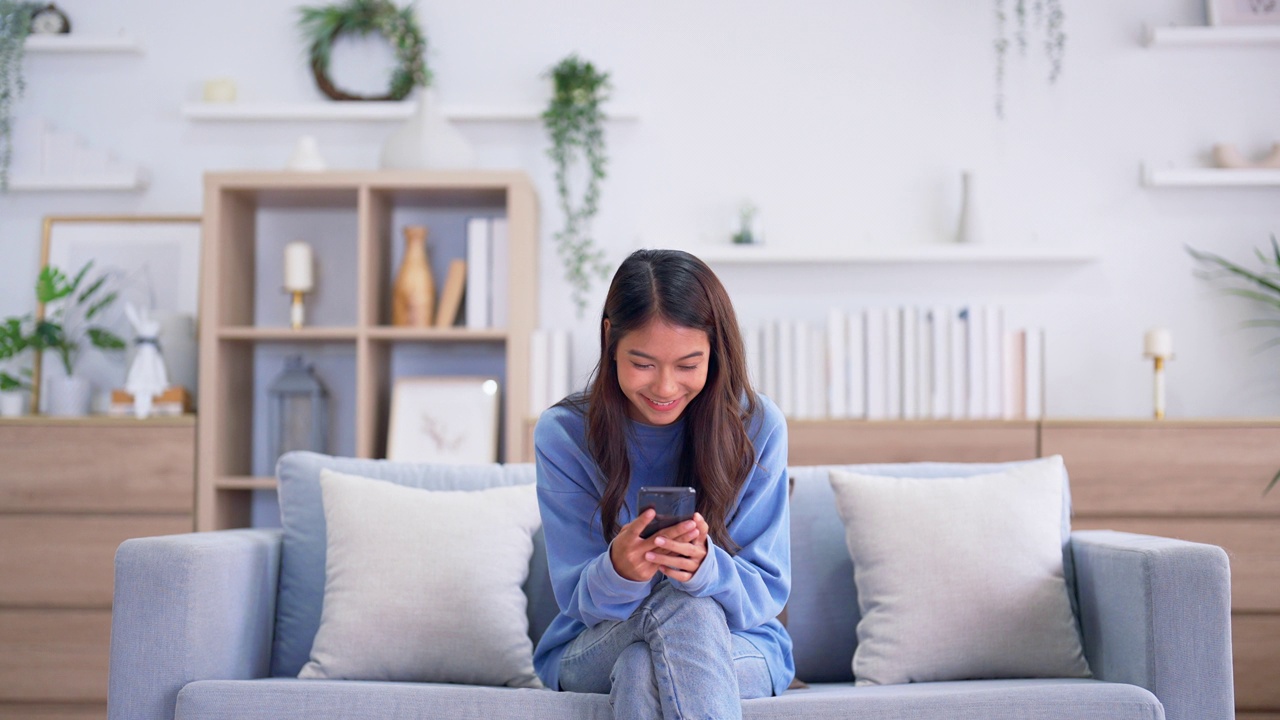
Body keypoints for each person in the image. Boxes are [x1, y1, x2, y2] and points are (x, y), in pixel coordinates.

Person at [532, 248, 793, 719]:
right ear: (611, 338)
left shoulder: (757, 427)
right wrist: (619, 569)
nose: (666, 388)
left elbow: (767, 593)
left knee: (641, 668)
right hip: (595, 641)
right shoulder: (566, 435)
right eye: (644, 363)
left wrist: (704, 569)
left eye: (688, 365)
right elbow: (575, 598)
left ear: (716, 352)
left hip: (741, 642)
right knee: (679, 608)